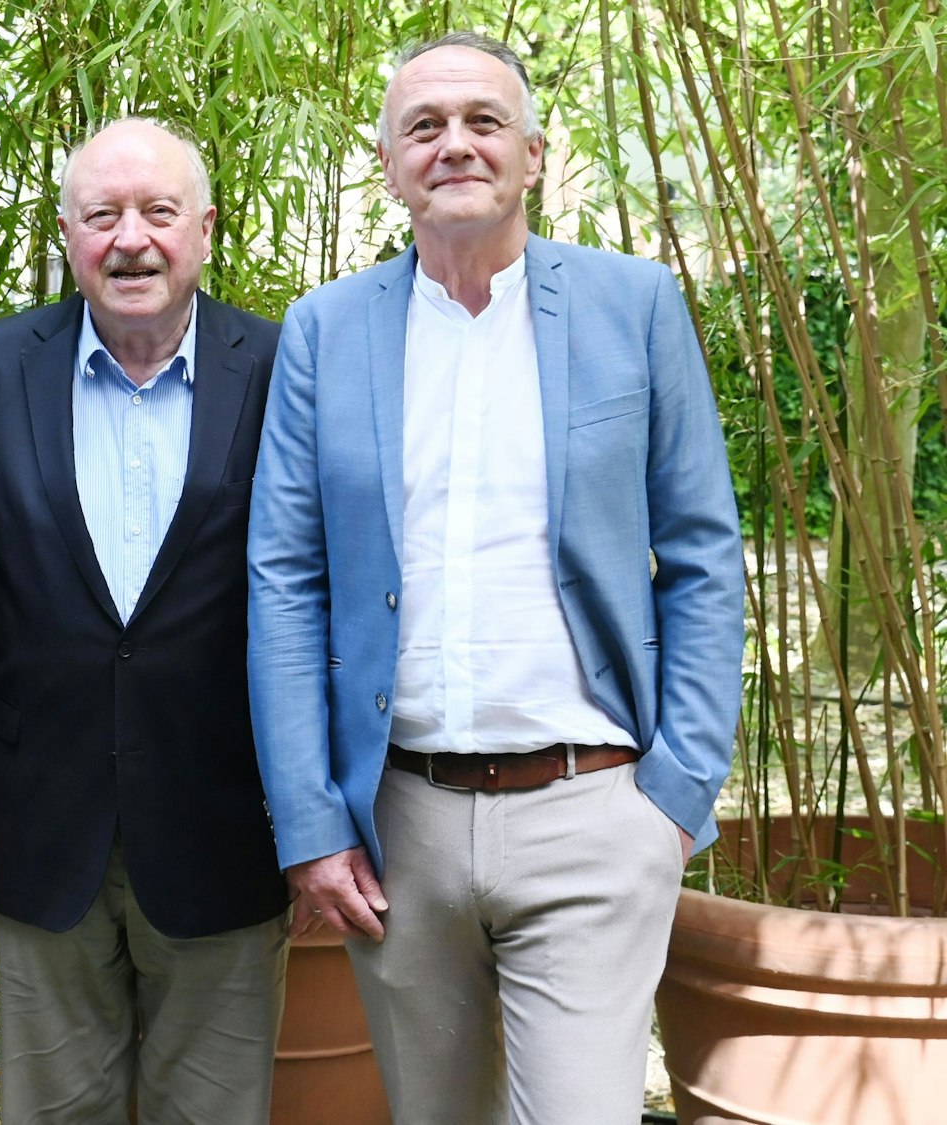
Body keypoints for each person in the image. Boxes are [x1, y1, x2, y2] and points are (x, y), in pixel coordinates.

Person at [247, 31, 745, 1123]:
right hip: (398, 823)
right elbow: (284, 581)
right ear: (387, 165)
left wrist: (673, 793)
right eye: (422, 126)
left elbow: (702, 553)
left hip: (592, 808)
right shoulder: (324, 333)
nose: (453, 145)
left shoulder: (634, 306)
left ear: (531, 151)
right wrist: (309, 826)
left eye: (480, 121)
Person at [0, 118, 289, 1123]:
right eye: (102, 215)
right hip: (42, 827)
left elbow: (314, 605)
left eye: (158, 213)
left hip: (226, 827)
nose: (131, 240)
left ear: (205, 229)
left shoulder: (281, 365)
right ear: (66, 233)